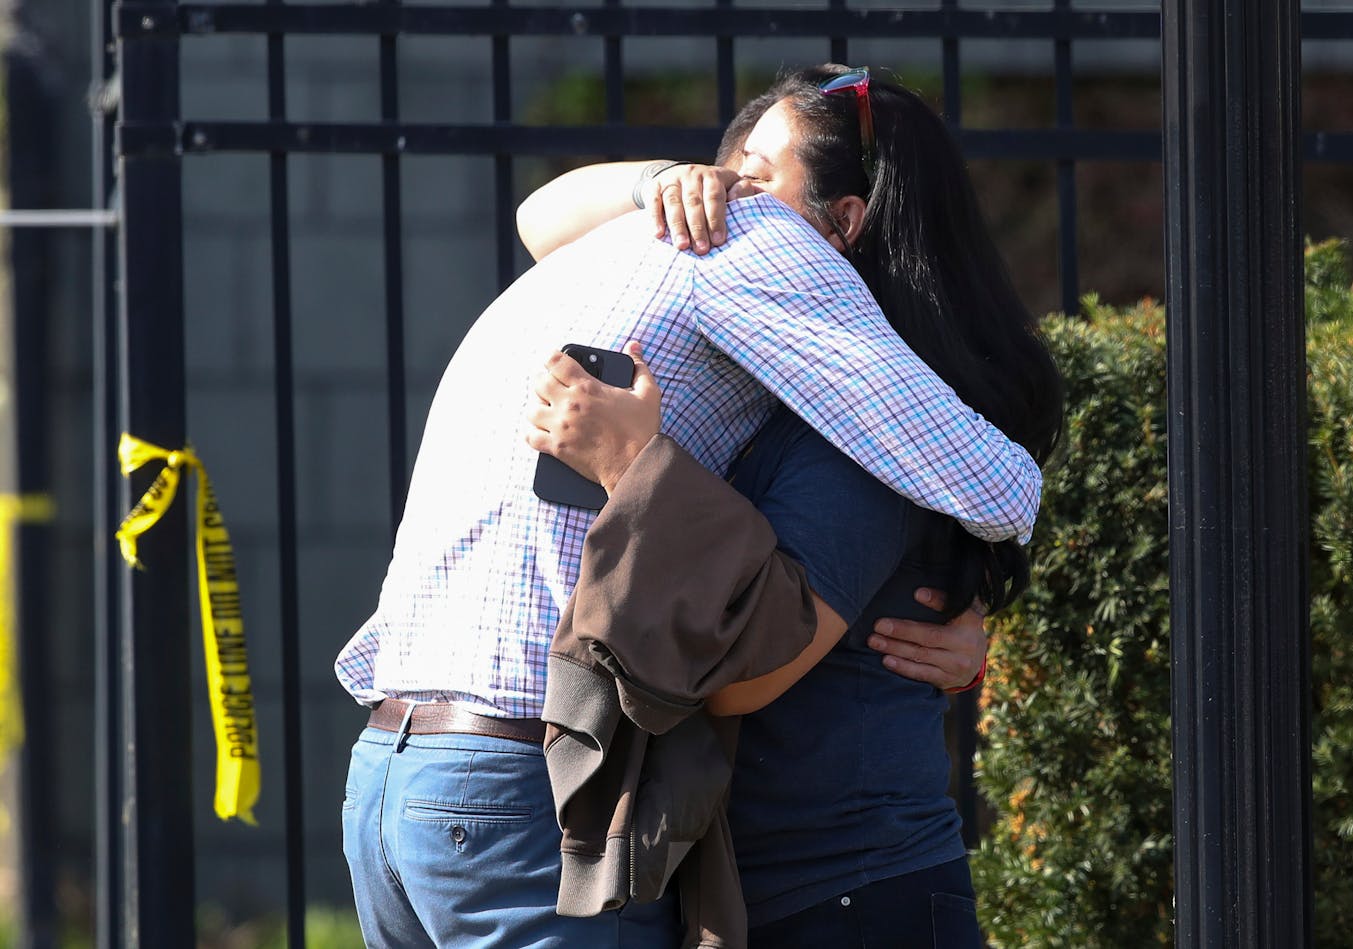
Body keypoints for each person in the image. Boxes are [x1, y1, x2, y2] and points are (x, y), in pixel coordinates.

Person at [336, 65, 1040, 947]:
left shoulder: (648, 256)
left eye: (756, 168)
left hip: (391, 777)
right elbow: (1000, 487)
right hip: (526, 787)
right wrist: (637, 462)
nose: (730, 186)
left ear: (848, 220)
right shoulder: (745, 236)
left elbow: (534, 216)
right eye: (729, 167)